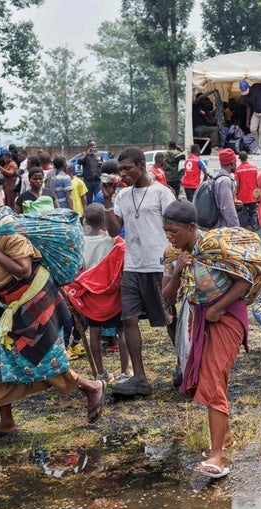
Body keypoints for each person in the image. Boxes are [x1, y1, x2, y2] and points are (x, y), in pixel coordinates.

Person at [0, 186, 106, 442]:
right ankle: (6, 423)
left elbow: (23, 270)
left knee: (46, 360)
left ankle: (92, 387)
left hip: (33, 303)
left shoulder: (10, 234)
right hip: (7, 306)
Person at [161, 200, 261, 479]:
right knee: (209, 377)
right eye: (165, 230)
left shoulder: (213, 247)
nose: (169, 236)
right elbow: (166, 295)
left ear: (191, 227)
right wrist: (177, 270)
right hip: (200, 318)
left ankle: (217, 458)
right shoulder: (172, 254)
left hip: (226, 316)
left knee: (213, 378)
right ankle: (224, 438)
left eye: (174, 231)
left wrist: (217, 308)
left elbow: (244, 280)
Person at [102, 147, 176, 397]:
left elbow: (175, 227)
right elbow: (114, 231)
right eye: (120, 170)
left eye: (127, 168)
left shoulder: (161, 193)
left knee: (170, 319)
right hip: (133, 266)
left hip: (160, 266)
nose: (122, 174)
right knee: (128, 319)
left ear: (142, 166)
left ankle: (183, 366)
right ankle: (140, 379)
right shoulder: (122, 196)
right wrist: (108, 200)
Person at [74, 203, 131, 381]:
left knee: (95, 332)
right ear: (106, 222)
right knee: (122, 330)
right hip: (113, 296)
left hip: (92, 297)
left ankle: (100, 373)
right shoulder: (114, 241)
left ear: (86, 221)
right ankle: (125, 372)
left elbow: (80, 270)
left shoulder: (81, 243)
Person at [210, 148, 240, 228]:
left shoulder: (218, 178)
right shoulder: (225, 181)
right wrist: (236, 227)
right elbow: (227, 208)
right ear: (232, 164)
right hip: (222, 227)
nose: (236, 165)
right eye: (235, 162)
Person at [235, 152, 258, 230]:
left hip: (242, 196)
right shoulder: (254, 168)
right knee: (253, 213)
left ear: (240, 159)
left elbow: (237, 185)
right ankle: (254, 228)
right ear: (247, 157)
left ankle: (243, 230)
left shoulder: (237, 170)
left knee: (243, 214)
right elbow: (257, 182)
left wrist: (236, 194)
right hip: (253, 195)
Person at [78, 140, 104, 204]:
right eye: (91, 146)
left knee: (99, 197)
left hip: (97, 180)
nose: (93, 147)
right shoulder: (84, 154)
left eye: (94, 146)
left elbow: (103, 165)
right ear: (88, 146)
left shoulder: (99, 155)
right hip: (88, 181)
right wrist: (87, 153)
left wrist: (101, 164)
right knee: (88, 200)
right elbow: (79, 162)